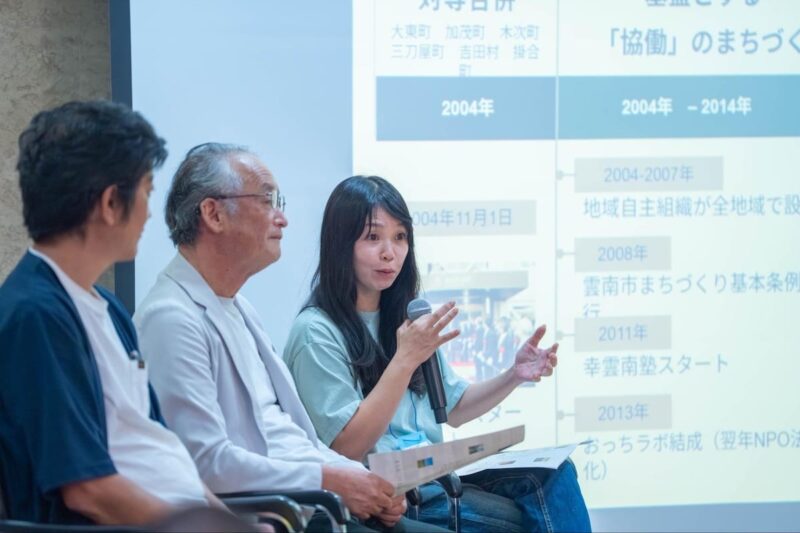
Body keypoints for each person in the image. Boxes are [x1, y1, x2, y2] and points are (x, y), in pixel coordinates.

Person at [134, 143, 448, 533]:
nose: (282, 218)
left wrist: (363, 481)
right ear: (213, 214)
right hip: (263, 517)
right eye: (267, 201)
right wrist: (330, 480)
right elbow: (204, 464)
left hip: (309, 503)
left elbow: (289, 437)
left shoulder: (237, 307)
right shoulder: (171, 318)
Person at [284, 175, 592, 533]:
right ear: (340, 244)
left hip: (437, 480)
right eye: (373, 237)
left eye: (400, 237)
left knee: (555, 474)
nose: (390, 252)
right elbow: (346, 446)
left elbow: (454, 408)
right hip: (387, 498)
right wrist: (404, 360)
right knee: (528, 520)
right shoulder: (316, 332)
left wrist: (514, 375)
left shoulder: (406, 317)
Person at [0, 101, 226, 526]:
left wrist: (227, 521)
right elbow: (87, 489)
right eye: (146, 191)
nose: (148, 212)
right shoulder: (35, 316)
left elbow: (159, 447)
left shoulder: (110, 308)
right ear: (109, 203)